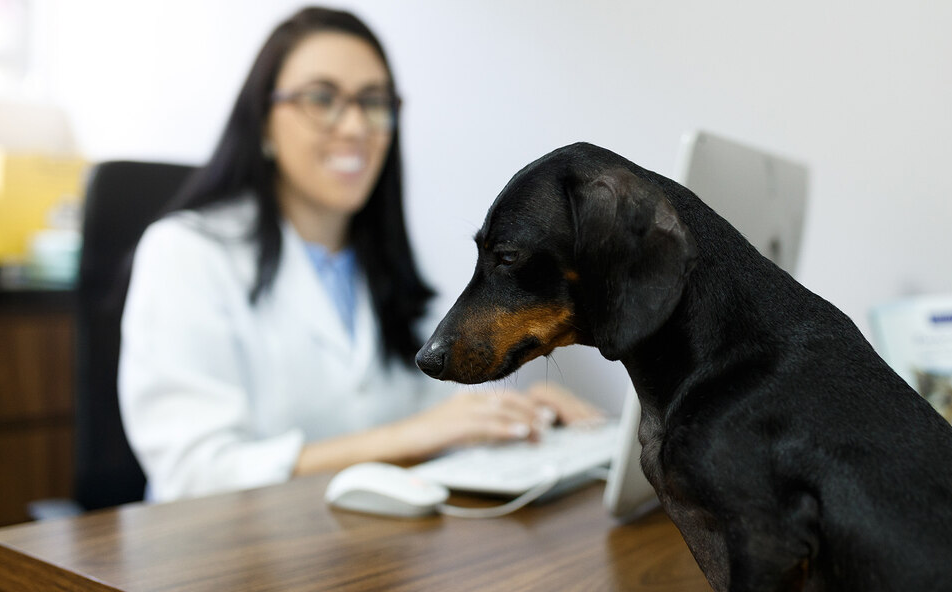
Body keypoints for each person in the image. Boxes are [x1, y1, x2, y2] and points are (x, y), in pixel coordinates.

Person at [118, 6, 600, 502]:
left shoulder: (387, 264)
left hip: (365, 553)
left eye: (373, 101)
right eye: (321, 98)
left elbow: (439, 413)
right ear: (262, 123)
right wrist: (408, 437)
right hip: (217, 557)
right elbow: (193, 472)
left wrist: (519, 413)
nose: (354, 127)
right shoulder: (186, 252)